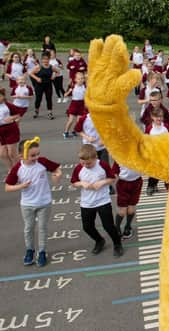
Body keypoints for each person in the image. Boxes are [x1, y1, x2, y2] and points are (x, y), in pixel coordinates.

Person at [4, 137, 62, 267]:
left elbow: (57, 169)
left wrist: (57, 176)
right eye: (32, 155)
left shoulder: (42, 162)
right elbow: (7, 187)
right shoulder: (17, 168)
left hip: (44, 202)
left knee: (42, 228)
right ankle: (29, 250)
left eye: (37, 154)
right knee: (28, 228)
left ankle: (42, 252)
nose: (36, 157)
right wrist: (21, 186)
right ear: (21, 155)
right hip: (27, 204)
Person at [70, 144, 123, 257]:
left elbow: (113, 178)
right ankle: (99, 240)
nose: (85, 165)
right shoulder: (79, 168)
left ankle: (117, 244)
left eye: (88, 163)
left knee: (108, 226)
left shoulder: (102, 165)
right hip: (86, 203)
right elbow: (74, 182)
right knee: (87, 227)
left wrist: (102, 182)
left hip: (102, 201)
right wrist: (82, 183)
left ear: (95, 158)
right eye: (82, 163)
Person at [144, 108, 169, 195]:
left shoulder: (166, 127)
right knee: (155, 171)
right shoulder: (149, 128)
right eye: (156, 117)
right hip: (154, 154)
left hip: (166, 153)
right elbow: (146, 140)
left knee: (167, 171)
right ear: (152, 117)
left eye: (160, 116)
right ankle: (151, 186)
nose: (159, 119)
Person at [112, 160, 143, 239]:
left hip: (137, 183)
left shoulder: (138, 156)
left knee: (131, 210)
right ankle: (117, 228)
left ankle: (128, 226)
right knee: (122, 211)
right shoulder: (119, 158)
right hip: (123, 184)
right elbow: (114, 172)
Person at [29, 52, 59, 120]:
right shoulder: (38, 67)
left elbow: (58, 72)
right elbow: (31, 73)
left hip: (48, 85)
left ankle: (50, 113)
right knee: (38, 99)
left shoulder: (51, 67)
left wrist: (54, 74)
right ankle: (36, 111)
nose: (45, 61)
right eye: (44, 59)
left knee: (49, 99)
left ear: (49, 59)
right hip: (39, 85)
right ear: (42, 60)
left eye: (47, 59)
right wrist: (37, 78)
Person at [0, 88, 22, 168]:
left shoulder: (8, 105)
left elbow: (18, 115)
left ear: (3, 96)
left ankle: (19, 170)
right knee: (3, 154)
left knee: (11, 153)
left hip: (10, 129)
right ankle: (11, 170)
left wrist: (12, 118)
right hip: (1, 131)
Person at [63, 72, 86, 138]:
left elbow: (86, 96)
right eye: (79, 79)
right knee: (71, 120)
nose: (80, 80)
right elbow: (65, 95)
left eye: (82, 78)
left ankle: (74, 131)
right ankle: (66, 132)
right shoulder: (73, 86)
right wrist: (69, 91)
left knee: (79, 121)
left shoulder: (85, 86)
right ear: (75, 79)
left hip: (81, 104)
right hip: (74, 104)